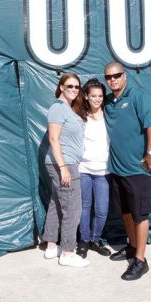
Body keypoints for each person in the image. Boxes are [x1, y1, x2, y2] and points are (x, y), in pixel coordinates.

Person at [102, 62, 151, 281]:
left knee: (140, 214)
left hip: (138, 169)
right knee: (126, 212)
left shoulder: (138, 96)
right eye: (108, 77)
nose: (113, 80)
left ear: (124, 76)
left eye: (117, 75)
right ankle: (131, 246)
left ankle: (140, 260)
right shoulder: (108, 102)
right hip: (117, 170)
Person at [39, 72, 89, 268]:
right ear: (61, 87)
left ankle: (52, 246)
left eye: (77, 87)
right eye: (70, 86)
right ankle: (67, 252)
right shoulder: (58, 108)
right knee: (73, 209)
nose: (74, 90)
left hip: (65, 162)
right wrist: (63, 167)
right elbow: (53, 139)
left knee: (57, 203)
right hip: (64, 163)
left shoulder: (67, 108)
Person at [76, 79, 112, 258]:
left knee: (102, 210)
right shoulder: (80, 117)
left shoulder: (109, 115)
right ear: (86, 97)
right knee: (84, 207)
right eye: (93, 96)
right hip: (84, 169)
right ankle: (84, 241)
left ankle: (95, 240)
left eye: (100, 96)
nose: (97, 99)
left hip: (103, 171)